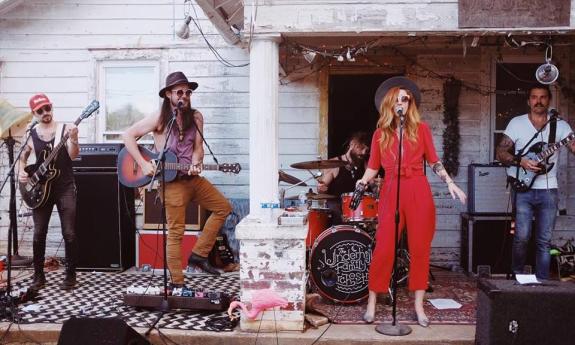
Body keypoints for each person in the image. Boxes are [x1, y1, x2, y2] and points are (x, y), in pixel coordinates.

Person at [357, 77, 467, 326]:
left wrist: (450, 182)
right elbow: (373, 167)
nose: (401, 104)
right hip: (391, 190)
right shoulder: (379, 135)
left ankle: (418, 306)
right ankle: (372, 302)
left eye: (405, 99)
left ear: (411, 104)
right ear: (389, 104)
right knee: (384, 247)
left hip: (418, 189)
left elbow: (434, 161)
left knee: (420, 249)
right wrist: (361, 182)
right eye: (396, 100)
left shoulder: (422, 130)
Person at [123, 72, 232, 287]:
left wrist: (196, 162)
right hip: (171, 183)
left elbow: (198, 149)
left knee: (223, 207)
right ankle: (178, 284)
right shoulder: (160, 118)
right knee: (175, 233)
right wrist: (144, 164)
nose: (185, 95)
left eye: (188, 92)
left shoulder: (197, 117)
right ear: (168, 95)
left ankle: (199, 255)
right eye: (179, 92)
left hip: (192, 179)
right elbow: (128, 135)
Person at [496, 84, 575, 280]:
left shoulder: (561, 126)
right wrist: (520, 160)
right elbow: (501, 153)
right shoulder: (517, 123)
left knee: (544, 240)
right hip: (523, 188)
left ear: (549, 101)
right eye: (534, 97)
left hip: (549, 189)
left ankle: (542, 284)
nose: (538, 101)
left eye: (542, 97)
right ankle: (517, 279)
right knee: (521, 237)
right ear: (528, 101)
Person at [18, 93, 79, 291]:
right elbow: (23, 157)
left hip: (64, 187)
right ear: (34, 113)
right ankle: (38, 275)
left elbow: (72, 155)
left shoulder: (64, 129)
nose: (45, 113)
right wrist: (21, 171)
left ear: (51, 107)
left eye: (47, 108)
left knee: (69, 232)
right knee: (38, 233)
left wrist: (75, 139)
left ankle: (70, 274)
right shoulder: (31, 133)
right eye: (40, 110)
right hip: (41, 189)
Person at [317, 132, 370, 224]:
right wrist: (321, 188)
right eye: (360, 148)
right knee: (334, 207)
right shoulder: (334, 164)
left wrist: (378, 184)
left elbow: (373, 185)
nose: (362, 153)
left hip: (359, 209)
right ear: (352, 144)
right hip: (337, 208)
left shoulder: (365, 164)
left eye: (365, 150)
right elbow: (322, 188)